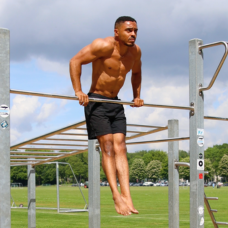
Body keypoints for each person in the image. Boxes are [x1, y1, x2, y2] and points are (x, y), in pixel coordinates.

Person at [69, 16, 144, 216]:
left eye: (135, 30)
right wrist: (78, 90)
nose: (133, 34)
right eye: (129, 30)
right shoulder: (103, 46)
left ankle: (127, 195)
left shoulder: (135, 52)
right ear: (116, 32)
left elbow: (136, 73)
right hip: (96, 101)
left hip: (115, 102)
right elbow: (75, 61)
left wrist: (136, 96)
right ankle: (115, 195)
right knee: (108, 146)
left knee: (121, 146)